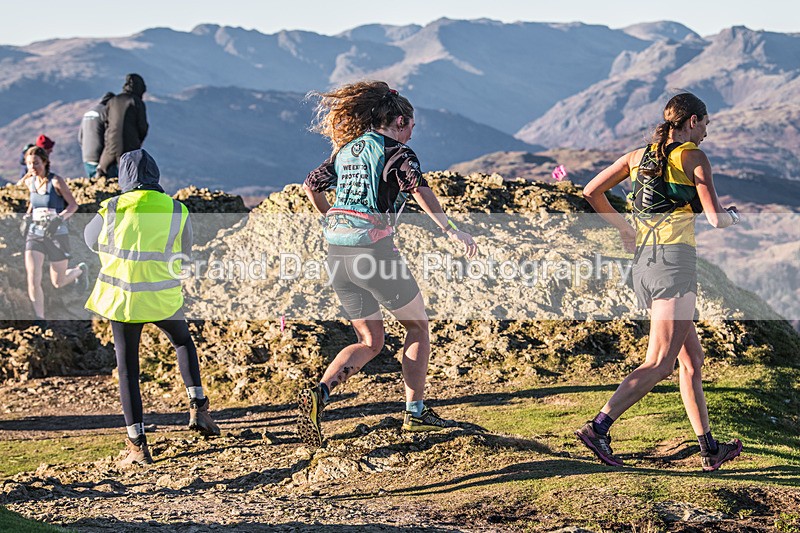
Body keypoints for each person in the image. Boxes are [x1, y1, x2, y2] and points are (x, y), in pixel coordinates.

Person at [297, 81, 477, 448]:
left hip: (338, 255)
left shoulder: (346, 151)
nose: (412, 133)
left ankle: (321, 392)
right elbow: (418, 188)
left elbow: (311, 185)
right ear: (399, 121)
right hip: (373, 254)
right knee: (418, 326)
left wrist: (330, 215)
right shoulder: (397, 152)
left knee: (369, 341)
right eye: (411, 126)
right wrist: (451, 229)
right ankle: (416, 413)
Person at [577, 93, 742, 472]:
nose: (706, 132)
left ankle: (709, 449)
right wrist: (733, 215)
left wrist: (624, 229)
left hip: (645, 266)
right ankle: (598, 428)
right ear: (692, 121)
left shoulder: (637, 156)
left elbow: (591, 191)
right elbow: (716, 218)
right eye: (705, 124)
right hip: (674, 266)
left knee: (692, 360)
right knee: (659, 362)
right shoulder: (693, 156)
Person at [84, 149, 219, 466]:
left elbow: (90, 240)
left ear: (124, 178)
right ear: (154, 175)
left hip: (123, 300)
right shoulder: (176, 209)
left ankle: (138, 445)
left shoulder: (112, 207)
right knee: (183, 342)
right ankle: (199, 408)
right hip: (162, 297)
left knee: (128, 370)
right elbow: (185, 254)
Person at [18, 146, 88, 328]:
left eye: (36, 163)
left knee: (58, 282)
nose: (32, 167)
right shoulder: (30, 182)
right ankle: (39, 318)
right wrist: (27, 217)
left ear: (45, 162)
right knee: (33, 276)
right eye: (29, 164)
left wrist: (58, 219)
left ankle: (80, 271)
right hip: (35, 233)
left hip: (56, 234)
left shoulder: (56, 181)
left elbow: (73, 206)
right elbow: (33, 202)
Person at [97, 74, 148, 179]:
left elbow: (106, 122)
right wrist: (139, 141)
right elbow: (142, 127)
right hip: (129, 146)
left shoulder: (112, 101)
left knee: (102, 171)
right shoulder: (136, 102)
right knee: (131, 176)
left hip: (111, 144)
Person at [78, 92, 115, 178]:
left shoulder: (88, 112)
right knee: (110, 182)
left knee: (93, 183)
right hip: (102, 157)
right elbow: (111, 136)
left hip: (87, 157)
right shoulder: (107, 112)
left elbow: (80, 137)